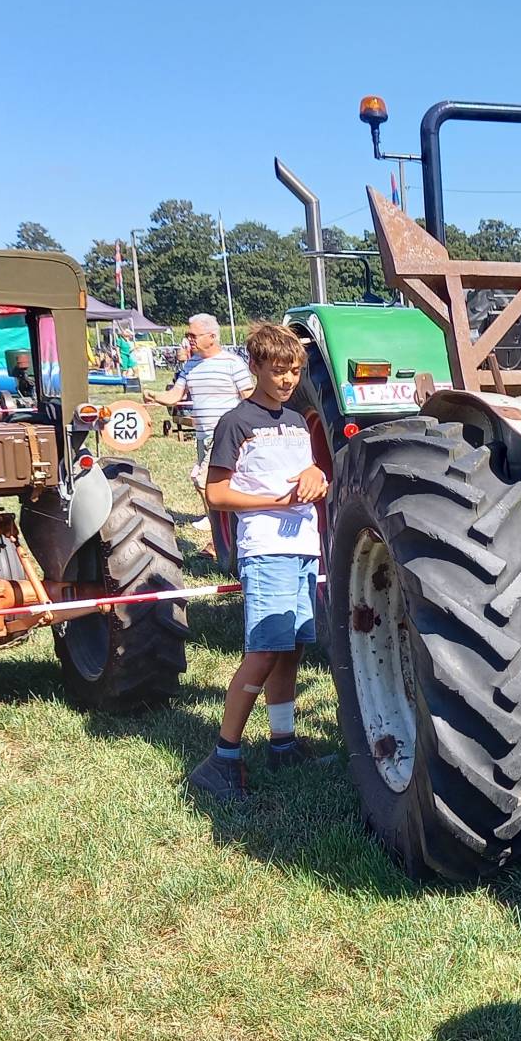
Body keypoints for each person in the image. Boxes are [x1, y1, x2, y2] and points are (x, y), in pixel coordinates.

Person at [186, 323, 328, 800]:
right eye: (277, 371)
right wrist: (275, 500)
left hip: (303, 547)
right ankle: (222, 758)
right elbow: (216, 493)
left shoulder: (294, 421)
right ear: (255, 367)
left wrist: (314, 475)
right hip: (266, 549)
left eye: (293, 371)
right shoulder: (236, 422)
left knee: (290, 650)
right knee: (264, 652)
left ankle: (282, 742)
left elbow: (305, 472)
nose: (287, 380)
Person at [148, 314, 252, 547]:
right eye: (188, 336)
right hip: (202, 437)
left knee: (203, 481)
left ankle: (221, 539)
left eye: (193, 336)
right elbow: (176, 395)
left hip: (226, 436)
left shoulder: (232, 363)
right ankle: (220, 531)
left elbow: (248, 397)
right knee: (212, 484)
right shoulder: (191, 365)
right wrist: (154, 396)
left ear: (212, 336)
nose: (189, 341)